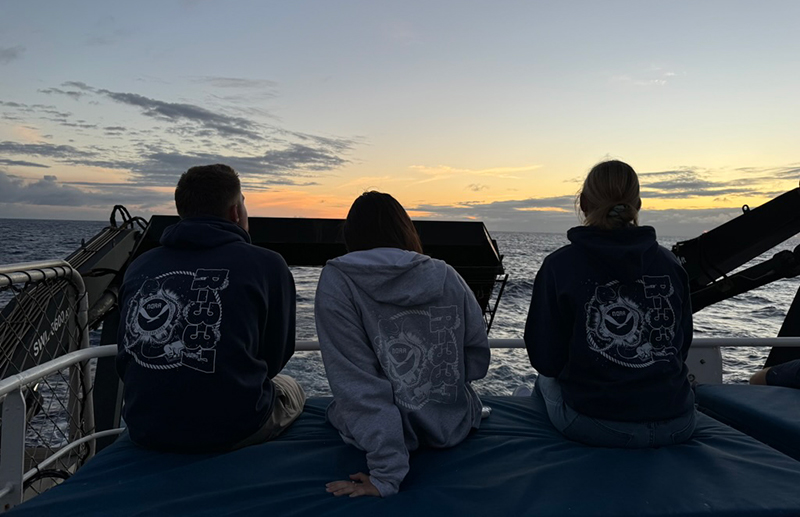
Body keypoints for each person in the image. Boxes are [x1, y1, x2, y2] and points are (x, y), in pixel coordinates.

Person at [116, 164, 305, 453]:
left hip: (146, 428)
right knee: (292, 386)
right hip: (235, 429)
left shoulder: (140, 266)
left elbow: (126, 353)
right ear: (235, 212)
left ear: (182, 211)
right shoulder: (268, 264)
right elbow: (276, 355)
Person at [316, 191, 490, 497]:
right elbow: (477, 359)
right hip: (452, 427)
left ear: (351, 235)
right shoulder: (447, 275)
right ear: (406, 229)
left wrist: (386, 474)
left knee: (335, 408)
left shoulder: (339, 282)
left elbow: (358, 387)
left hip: (386, 445)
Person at [524, 160, 696, 448]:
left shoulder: (560, 265)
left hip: (599, 425)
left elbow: (546, 360)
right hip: (678, 423)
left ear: (584, 202)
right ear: (637, 203)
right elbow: (681, 345)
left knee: (544, 383)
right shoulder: (670, 264)